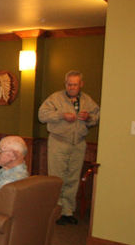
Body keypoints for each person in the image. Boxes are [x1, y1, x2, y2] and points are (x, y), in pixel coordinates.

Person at [38, 70, 100, 225]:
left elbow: (97, 117)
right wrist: (61, 115)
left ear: (81, 84)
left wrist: (89, 117)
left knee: (73, 179)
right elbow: (42, 115)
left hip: (78, 143)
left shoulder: (87, 100)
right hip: (59, 142)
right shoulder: (55, 98)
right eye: (69, 84)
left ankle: (67, 211)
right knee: (57, 178)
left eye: (75, 84)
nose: (72, 87)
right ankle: (56, 212)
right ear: (65, 84)